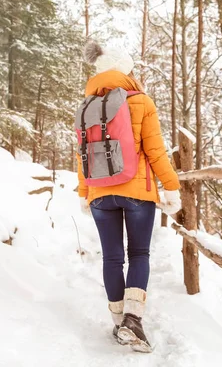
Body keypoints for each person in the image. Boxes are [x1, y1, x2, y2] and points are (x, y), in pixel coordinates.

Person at [77, 40, 182, 353]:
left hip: (99, 195)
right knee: (138, 254)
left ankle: (118, 321)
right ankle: (132, 322)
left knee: (112, 257)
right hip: (137, 192)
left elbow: (81, 156)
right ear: (125, 70)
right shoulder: (140, 101)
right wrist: (171, 186)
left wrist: (85, 192)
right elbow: (155, 151)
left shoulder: (86, 106)